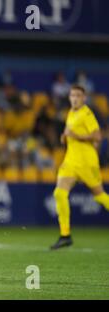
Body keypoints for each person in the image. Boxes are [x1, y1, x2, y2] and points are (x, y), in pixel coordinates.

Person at [51, 85, 109, 250]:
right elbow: (70, 131)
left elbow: (97, 136)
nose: (75, 98)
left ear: (83, 98)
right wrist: (65, 136)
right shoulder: (71, 113)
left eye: (78, 95)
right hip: (70, 162)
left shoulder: (87, 113)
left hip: (87, 162)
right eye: (72, 95)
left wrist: (77, 136)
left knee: (100, 197)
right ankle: (65, 235)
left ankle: (65, 235)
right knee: (60, 194)